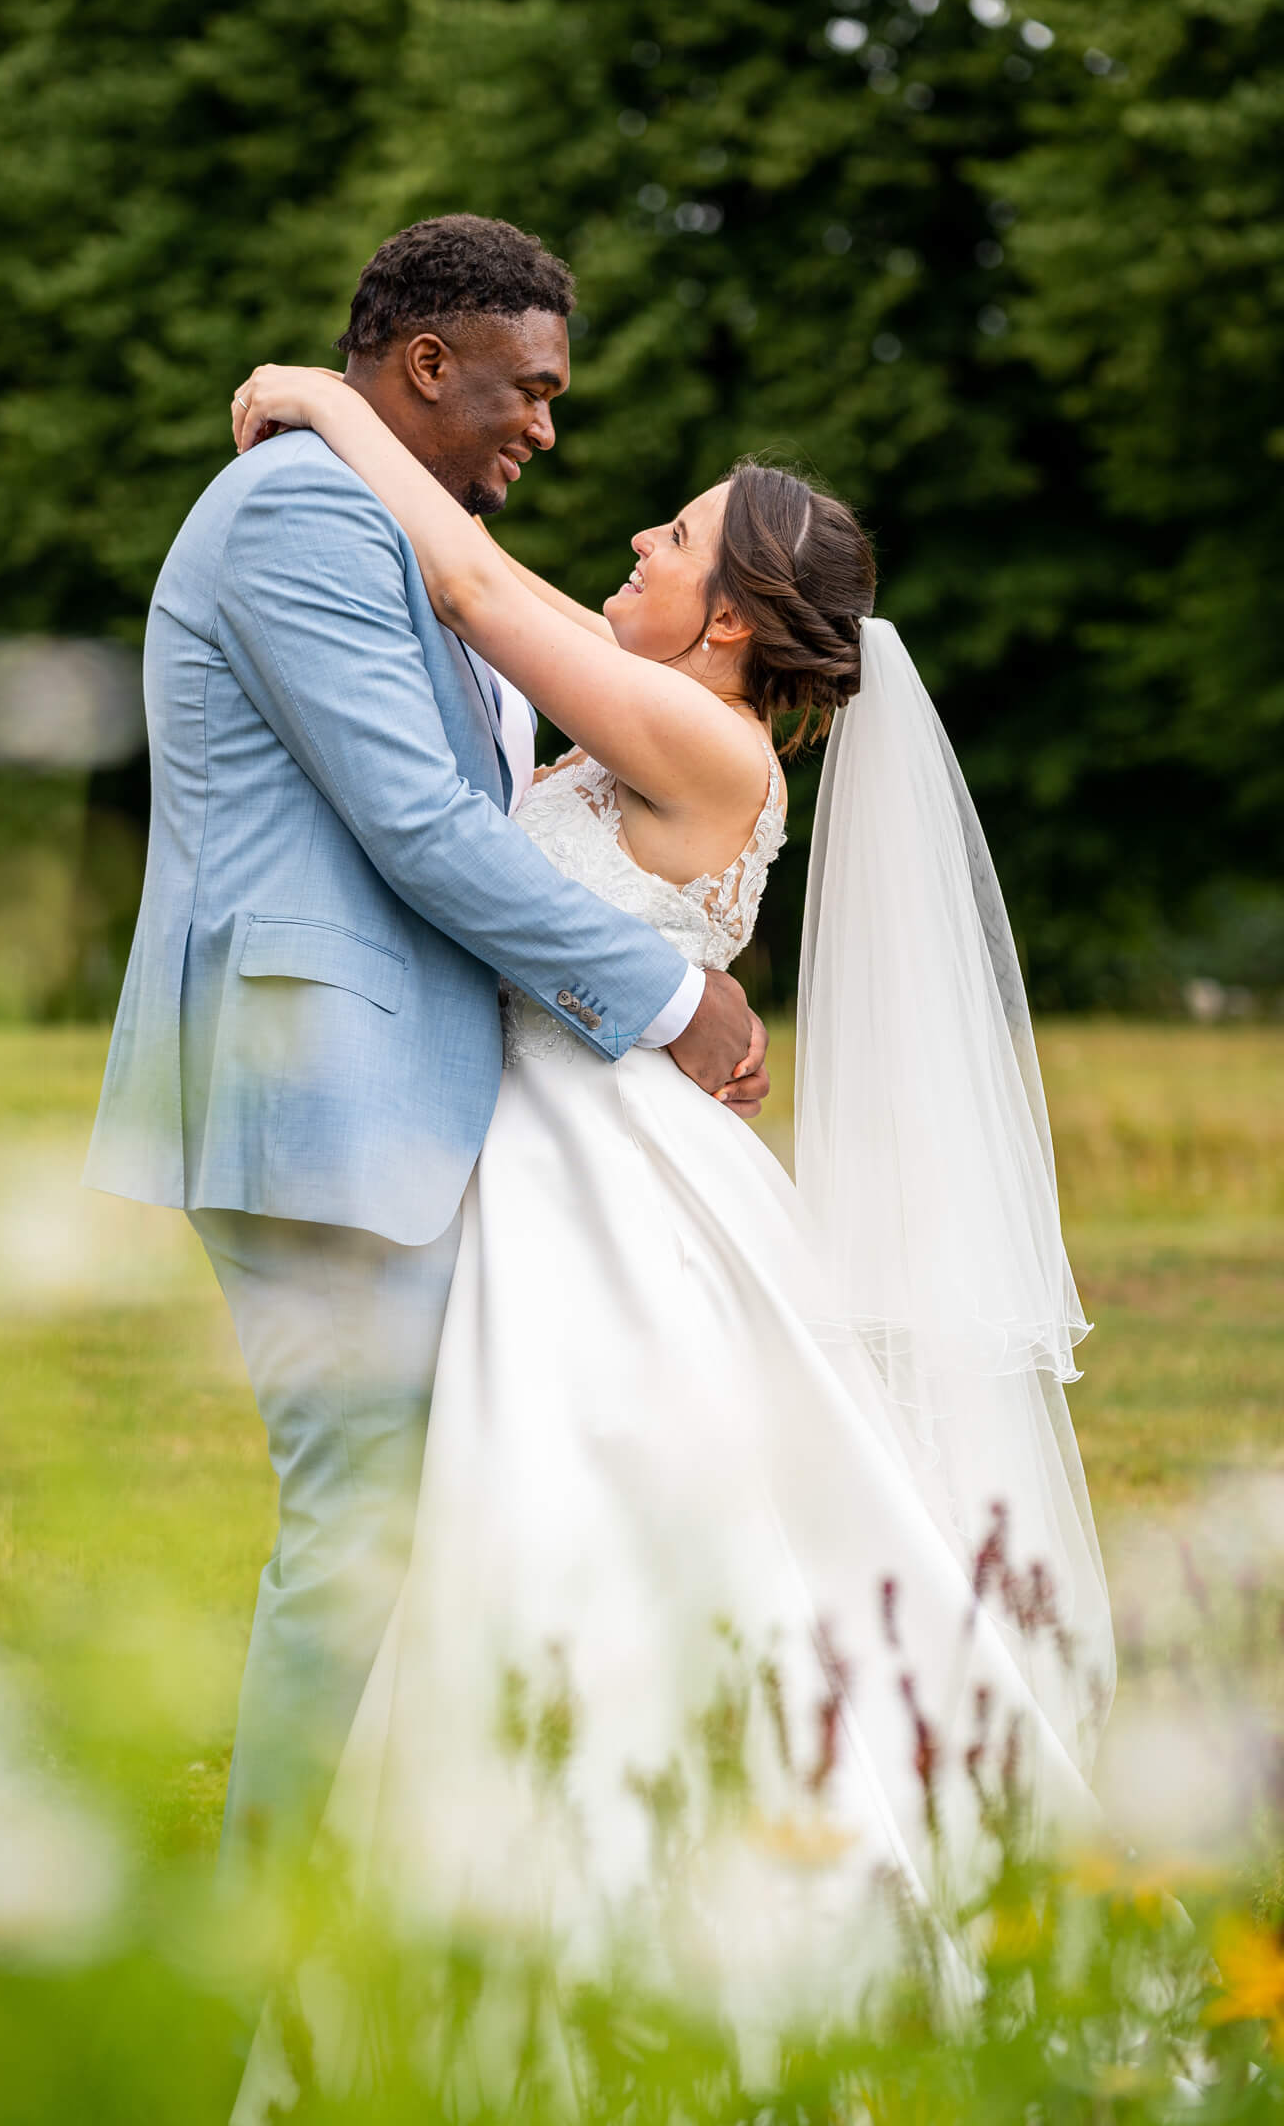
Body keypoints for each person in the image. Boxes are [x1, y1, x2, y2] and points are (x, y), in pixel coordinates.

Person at [223, 360, 1116, 2106]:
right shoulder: (660, 706)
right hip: (552, 1152)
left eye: (681, 534)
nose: (639, 535)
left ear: (733, 623)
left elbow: (473, 582)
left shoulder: (701, 739)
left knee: (578, 1528)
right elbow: (491, 605)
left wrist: (332, 398)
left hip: (600, 1184)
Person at [82, 216, 771, 1883]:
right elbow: (419, 828)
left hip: (401, 1090)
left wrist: (326, 400)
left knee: (418, 1518)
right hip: (313, 1080)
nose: (547, 426)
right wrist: (672, 997)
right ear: (428, 363)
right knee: (359, 1529)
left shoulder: (398, 523)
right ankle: (262, 1930)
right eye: (529, 390)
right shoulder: (305, 517)